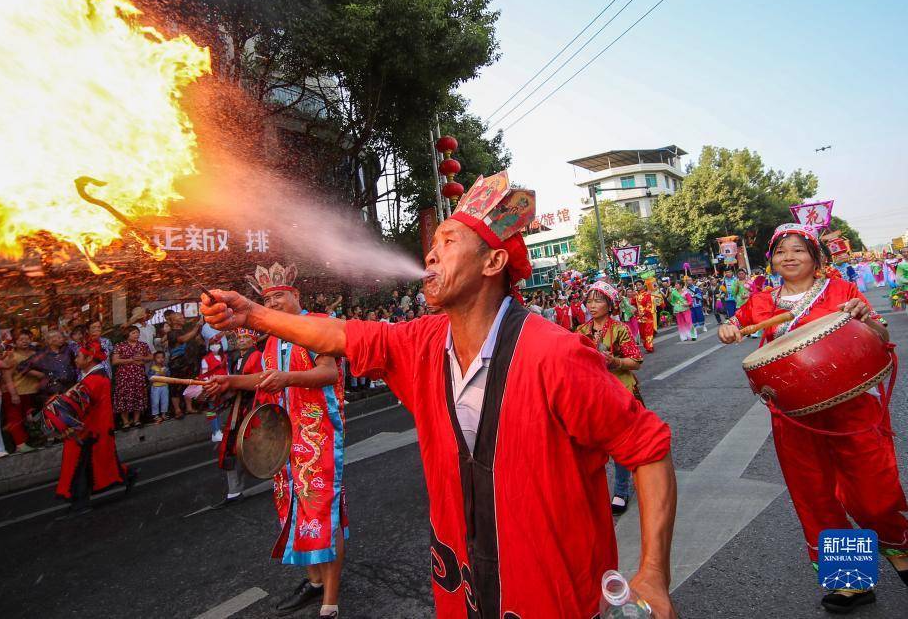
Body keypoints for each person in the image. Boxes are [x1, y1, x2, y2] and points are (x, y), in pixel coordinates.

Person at [202, 171, 678, 619]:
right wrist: (252, 317)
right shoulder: (421, 344)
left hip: (552, 595)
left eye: (448, 242)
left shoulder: (556, 355)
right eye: (431, 246)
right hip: (462, 591)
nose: (430, 256)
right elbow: (340, 336)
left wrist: (653, 573)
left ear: (493, 262)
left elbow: (649, 451)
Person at [719, 223, 908, 615]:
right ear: (771, 259)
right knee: (816, 495)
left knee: (873, 493)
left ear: (815, 257)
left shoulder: (842, 292)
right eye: (781, 251)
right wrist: (729, 328)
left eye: (798, 250)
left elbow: (878, 331)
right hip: (794, 415)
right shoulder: (762, 301)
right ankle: (853, 582)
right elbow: (736, 323)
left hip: (851, 407)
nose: (788, 257)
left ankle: (900, 548)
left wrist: (864, 317)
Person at [207, 264, 347, 619]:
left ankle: (330, 600)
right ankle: (314, 582)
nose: (274, 303)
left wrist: (287, 378)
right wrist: (230, 381)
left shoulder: (315, 324)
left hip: (318, 436)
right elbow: (263, 378)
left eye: (280, 295)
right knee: (295, 510)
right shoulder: (271, 338)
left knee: (323, 512)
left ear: (296, 295)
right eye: (267, 299)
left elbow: (329, 371)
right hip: (284, 438)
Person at [576, 281, 645, 515]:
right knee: (589, 445)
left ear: (610, 304)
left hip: (619, 392)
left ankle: (621, 490)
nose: (592, 305)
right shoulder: (581, 331)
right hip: (591, 393)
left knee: (620, 444)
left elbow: (636, 362)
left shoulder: (620, 329)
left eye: (598, 300)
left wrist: (614, 361)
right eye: (589, 300)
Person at [53, 342, 135, 517]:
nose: (76, 360)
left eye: (79, 357)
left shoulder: (94, 380)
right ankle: (128, 475)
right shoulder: (95, 377)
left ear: (89, 358)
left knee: (80, 467)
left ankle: (80, 503)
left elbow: (78, 405)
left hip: (88, 430)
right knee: (99, 462)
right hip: (94, 428)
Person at [208, 328, 264, 508]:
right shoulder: (238, 357)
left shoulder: (255, 356)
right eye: (239, 337)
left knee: (241, 446)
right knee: (237, 446)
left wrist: (230, 385)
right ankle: (234, 490)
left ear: (253, 340)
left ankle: (236, 490)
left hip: (250, 406)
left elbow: (254, 382)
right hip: (241, 405)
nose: (240, 340)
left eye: (245, 337)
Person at [1, 330, 47, 453]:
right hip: (16, 391)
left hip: (32, 392)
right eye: (21, 339)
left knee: (30, 419)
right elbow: (7, 377)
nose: (25, 341)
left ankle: (31, 440)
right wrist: (13, 393)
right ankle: (20, 444)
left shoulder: (35, 354)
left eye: (27, 338)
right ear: (15, 342)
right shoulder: (11, 356)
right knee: (15, 419)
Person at [165, 309, 204, 418]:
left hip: (190, 363)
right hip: (178, 364)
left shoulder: (185, 330)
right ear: (174, 321)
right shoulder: (171, 333)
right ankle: (177, 410)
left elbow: (193, 340)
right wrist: (196, 327)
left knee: (190, 385)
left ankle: (189, 407)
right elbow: (183, 339)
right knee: (176, 387)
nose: (183, 319)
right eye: (180, 318)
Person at [111, 326, 152, 429]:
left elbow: (151, 357)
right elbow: (115, 361)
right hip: (124, 376)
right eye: (133, 333)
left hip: (138, 375)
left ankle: (136, 420)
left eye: (137, 333)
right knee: (123, 397)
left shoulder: (143, 345)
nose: (136, 335)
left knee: (138, 395)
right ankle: (125, 422)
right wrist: (131, 360)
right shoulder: (120, 345)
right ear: (127, 334)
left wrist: (143, 358)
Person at [635, 282, 657, 353]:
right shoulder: (636, 295)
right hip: (639, 318)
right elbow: (633, 305)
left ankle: (649, 347)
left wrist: (644, 312)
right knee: (642, 334)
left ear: (643, 286)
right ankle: (646, 345)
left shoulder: (647, 294)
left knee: (648, 332)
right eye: (637, 285)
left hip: (647, 317)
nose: (638, 286)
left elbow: (649, 305)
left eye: (639, 285)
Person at [148, 351, 170, 423]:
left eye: (162, 357)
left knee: (165, 400)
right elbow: (150, 378)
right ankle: (156, 415)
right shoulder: (153, 368)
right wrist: (156, 374)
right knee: (155, 401)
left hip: (164, 386)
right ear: (154, 359)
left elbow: (169, 376)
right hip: (155, 387)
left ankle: (164, 414)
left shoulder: (166, 368)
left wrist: (165, 372)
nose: (161, 359)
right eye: (158, 358)